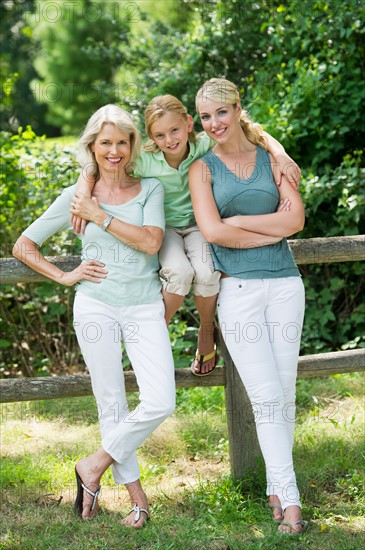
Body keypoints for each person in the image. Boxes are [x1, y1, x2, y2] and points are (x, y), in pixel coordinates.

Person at [12, 104, 176, 527]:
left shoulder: (151, 189)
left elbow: (151, 242)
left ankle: (93, 464)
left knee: (161, 400)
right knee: (111, 402)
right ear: (92, 146)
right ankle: (138, 500)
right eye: (106, 142)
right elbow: (24, 246)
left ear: (133, 145)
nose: (115, 150)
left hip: (143, 305)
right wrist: (65, 276)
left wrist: (99, 215)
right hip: (95, 305)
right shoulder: (75, 195)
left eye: (123, 141)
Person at [73, 95, 301, 377]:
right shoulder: (144, 160)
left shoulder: (204, 144)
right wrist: (83, 190)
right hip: (165, 229)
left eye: (174, 130)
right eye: (160, 135)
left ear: (189, 124)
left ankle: (206, 331)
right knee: (179, 272)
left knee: (207, 273)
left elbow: (255, 132)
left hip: (199, 227)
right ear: (151, 137)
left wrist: (281, 155)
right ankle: (147, 338)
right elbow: (99, 164)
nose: (169, 140)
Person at [189, 78, 308, 535]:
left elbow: (295, 218)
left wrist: (240, 220)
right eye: (205, 116)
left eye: (221, 112)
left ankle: (279, 489)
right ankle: (290, 498)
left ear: (238, 109)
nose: (214, 123)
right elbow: (213, 233)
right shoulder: (202, 169)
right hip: (237, 292)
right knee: (266, 395)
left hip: (284, 285)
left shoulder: (272, 160)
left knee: (284, 390)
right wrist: (268, 228)